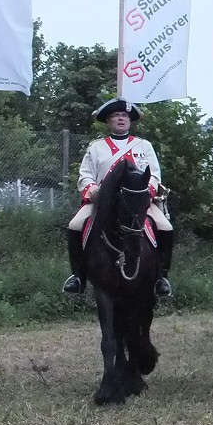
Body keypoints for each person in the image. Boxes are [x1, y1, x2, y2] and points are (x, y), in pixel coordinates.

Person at [64, 98, 173, 296]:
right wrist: (94, 191)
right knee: (75, 224)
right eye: (116, 115)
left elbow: (155, 174)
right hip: (102, 202)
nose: (121, 118)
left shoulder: (144, 146)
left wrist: (147, 193)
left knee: (165, 226)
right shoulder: (96, 147)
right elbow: (85, 174)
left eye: (125, 115)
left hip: (138, 202)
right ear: (108, 121)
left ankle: (161, 277)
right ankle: (78, 276)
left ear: (130, 121)